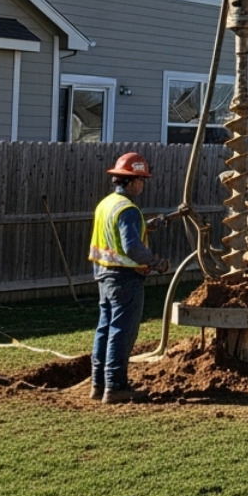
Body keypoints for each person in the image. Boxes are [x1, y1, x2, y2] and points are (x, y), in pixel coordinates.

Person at [88, 152, 169, 404]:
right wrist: (155, 262)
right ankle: (116, 386)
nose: (143, 184)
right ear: (131, 180)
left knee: (105, 329)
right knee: (122, 331)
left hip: (104, 275)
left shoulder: (107, 204)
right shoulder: (129, 209)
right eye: (141, 179)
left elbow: (117, 235)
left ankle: (98, 384)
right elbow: (132, 247)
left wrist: (145, 225)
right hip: (125, 278)